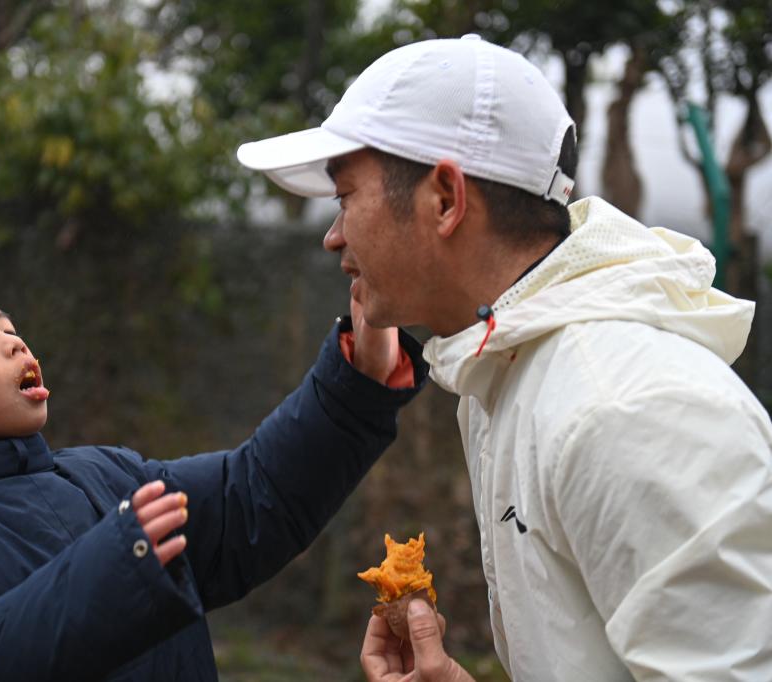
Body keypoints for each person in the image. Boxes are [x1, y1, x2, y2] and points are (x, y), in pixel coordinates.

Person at [238, 35, 772, 681]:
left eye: (345, 196)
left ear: (444, 199)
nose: (331, 236)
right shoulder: (512, 372)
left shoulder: (628, 409)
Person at [0, 269, 430, 681]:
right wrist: (105, 575)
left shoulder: (103, 476)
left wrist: (360, 380)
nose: (11, 342)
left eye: (7, 325)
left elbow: (254, 497)